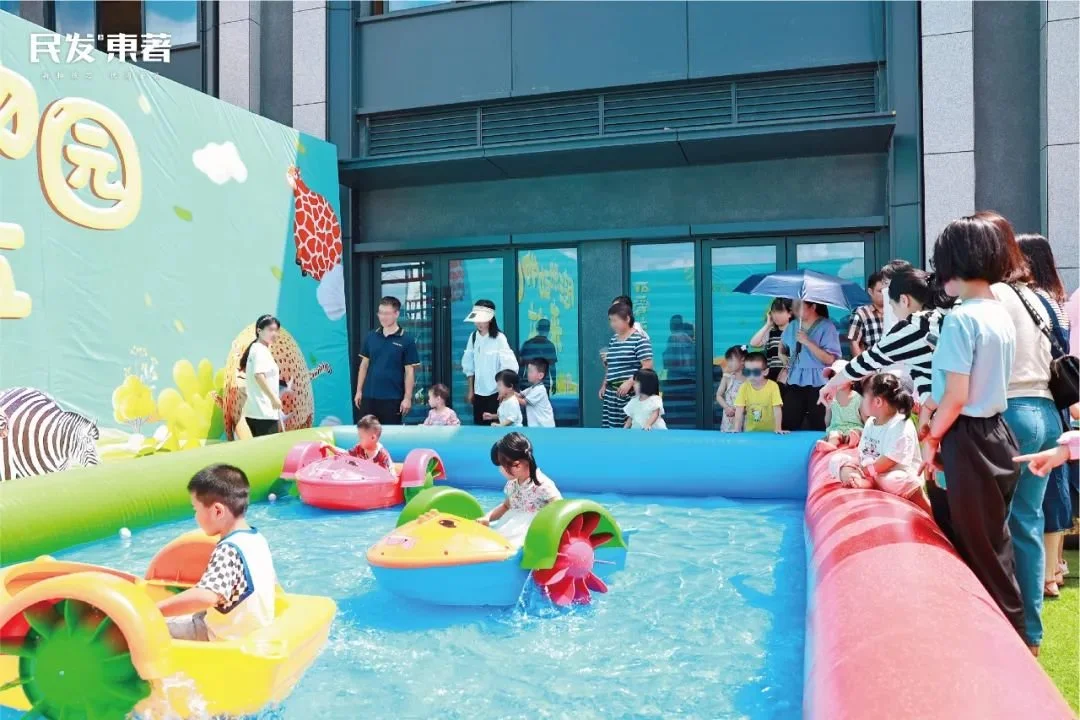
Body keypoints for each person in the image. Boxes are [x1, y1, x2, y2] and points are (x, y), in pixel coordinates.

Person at [920, 215, 1027, 649]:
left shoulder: (961, 319)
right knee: (993, 544)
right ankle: (1009, 639)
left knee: (977, 548)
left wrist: (931, 438)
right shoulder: (999, 312)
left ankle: (1011, 644)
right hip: (996, 434)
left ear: (953, 262)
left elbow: (956, 396)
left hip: (967, 439)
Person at [157, 464, 276, 641]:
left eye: (195, 509)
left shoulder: (229, 550)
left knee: (146, 627)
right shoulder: (257, 539)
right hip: (253, 632)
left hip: (220, 636)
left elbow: (207, 596)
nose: (195, 516)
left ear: (218, 511)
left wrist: (153, 610)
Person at [1017, 233, 1073, 599]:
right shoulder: (1057, 301)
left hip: (1039, 397)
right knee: (1056, 487)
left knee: (1038, 494)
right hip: (1059, 402)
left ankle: (1045, 573)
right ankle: (1053, 570)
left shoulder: (1029, 300)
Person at [819, 268, 951, 408]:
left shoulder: (913, 328)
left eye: (893, 307)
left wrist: (831, 385)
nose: (894, 313)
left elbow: (867, 361)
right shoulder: (947, 317)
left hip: (946, 412)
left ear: (904, 300)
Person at [828, 373, 930, 512]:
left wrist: (864, 472)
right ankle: (859, 480)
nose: (862, 401)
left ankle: (864, 480)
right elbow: (863, 452)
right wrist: (856, 466)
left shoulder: (900, 425)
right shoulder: (871, 422)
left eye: (864, 397)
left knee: (894, 480)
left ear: (877, 402)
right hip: (872, 470)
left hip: (892, 473)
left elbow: (888, 462)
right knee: (837, 460)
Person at [478, 432, 562, 546]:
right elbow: (506, 506)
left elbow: (559, 509)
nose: (500, 470)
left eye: (501, 466)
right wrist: (487, 517)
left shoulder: (542, 485)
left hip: (531, 532)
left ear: (517, 465)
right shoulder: (513, 483)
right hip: (512, 526)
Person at [354, 296, 420, 426]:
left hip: (393, 398)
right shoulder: (371, 336)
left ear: (396, 314)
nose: (383, 317)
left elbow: (409, 372)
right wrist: (359, 391)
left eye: (387, 313)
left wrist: (407, 398)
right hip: (369, 396)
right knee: (366, 432)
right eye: (381, 313)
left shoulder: (407, 339)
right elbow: (364, 366)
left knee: (390, 434)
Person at [781, 301, 841, 431]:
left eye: (799, 306)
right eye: (793, 306)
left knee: (819, 422)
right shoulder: (793, 325)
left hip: (819, 381)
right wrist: (781, 355)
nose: (794, 310)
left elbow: (830, 359)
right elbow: (782, 346)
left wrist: (807, 341)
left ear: (813, 307)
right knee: (789, 421)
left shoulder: (827, 327)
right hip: (795, 379)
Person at [462, 299, 519, 426]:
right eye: (477, 319)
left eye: (482, 319)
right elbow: (469, 366)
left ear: (490, 319)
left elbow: (509, 367)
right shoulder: (473, 337)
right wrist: (471, 390)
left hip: (496, 393)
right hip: (478, 392)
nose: (479, 323)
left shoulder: (499, 338)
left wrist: (504, 391)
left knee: (496, 425)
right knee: (479, 425)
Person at [599, 303, 654, 428]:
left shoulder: (640, 340)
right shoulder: (613, 340)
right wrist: (605, 384)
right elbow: (612, 366)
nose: (612, 324)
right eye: (610, 320)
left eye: (615, 320)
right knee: (610, 430)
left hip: (629, 394)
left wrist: (630, 382)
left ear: (627, 319)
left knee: (627, 429)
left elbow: (648, 366)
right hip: (611, 395)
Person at [239, 314, 282, 438]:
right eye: (270, 330)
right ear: (259, 331)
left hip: (257, 412)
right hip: (264, 413)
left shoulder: (257, 348)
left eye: (276, 330)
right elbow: (259, 375)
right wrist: (273, 398)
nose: (274, 333)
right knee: (271, 448)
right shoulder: (260, 350)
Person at [730, 352, 785, 434]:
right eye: (747, 372)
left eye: (756, 372)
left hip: (770, 433)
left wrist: (778, 428)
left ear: (765, 372)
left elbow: (777, 408)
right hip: (751, 432)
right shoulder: (744, 387)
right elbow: (739, 410)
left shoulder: (773, 386)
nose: (751, 376)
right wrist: (736, 428)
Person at [819, 361, 864, 449]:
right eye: (833, 376)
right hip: (837, 429)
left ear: (852, 380)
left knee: (857, 432)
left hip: (854, 428)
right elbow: (828, 419)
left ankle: (853, 440)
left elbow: (865, 420)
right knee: (834, 434)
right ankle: (831, 445)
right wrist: (827, 433)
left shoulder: (858, 398)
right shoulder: (831, 398)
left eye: (840, 377)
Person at [750, 298, 794, 384]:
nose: (776, 315)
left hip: (790, 378)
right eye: (773, 312)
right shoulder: (771, 332)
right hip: (772, 378)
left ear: (790, 313)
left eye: (780, 312)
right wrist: (767, 325)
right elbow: (754, 343)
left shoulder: (796, 333)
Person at [848, 272, 886, 356]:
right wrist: (861, 363)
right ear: (870, 291)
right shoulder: (861, 313)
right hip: (872, 361)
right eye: (880, 291)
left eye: (887, 291)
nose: (885, 294)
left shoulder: (896, 312)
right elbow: (853, 342)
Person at [518, 319, 558, 394]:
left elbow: (521, 366)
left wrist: (519, 381)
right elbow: (552, 367)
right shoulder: (550, 346)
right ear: (548, 329)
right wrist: (554, 382)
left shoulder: (527, 344)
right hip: (544, 383)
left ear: (537, 328)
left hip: (527, 383)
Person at [715, 345, 747, 433]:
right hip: (729, 416)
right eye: (727, 360)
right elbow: (718, 395)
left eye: (731, 360)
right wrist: (726, 407)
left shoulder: (749, 380)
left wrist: (744, 409)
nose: (729, 363)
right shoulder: (727, 377)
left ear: (742, 360)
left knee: (744, 438)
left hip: (744, 417)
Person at [518, 358, 555, 428]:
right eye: (528, 371)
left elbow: (523, 402)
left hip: (544, 427)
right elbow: (519, 395)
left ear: (540, 375)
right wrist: (509, 392)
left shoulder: (539, 390)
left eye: (531, 372)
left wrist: (510, 396)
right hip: (537, 427)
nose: (528, 374)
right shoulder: (532, 388)